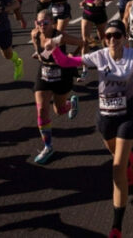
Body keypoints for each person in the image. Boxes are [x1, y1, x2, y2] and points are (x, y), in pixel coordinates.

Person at [44, 21, 133, 238]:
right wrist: (52, 49)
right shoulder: (100, 55)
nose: (113, 39)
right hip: (104, 118)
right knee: (116, 156)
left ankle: (116, 227)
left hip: (126, 116)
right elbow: (66, 62)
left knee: (116, 170)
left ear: (124, 37)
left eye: (117, 35)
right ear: (105, 39)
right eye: (109, 36)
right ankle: (128, 160)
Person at [29, 9, 83, 164]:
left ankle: (70, 103)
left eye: (45, 23)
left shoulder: (61, 37)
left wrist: (72, 58)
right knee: (41, 109)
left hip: (61, 75)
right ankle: (48, 147)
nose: (42, 25)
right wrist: (39, 55)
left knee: (59, 111)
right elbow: (38, 50)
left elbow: (81, 42)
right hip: (44, 74)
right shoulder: (35, 34)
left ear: (52, 23)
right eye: (39, 22)